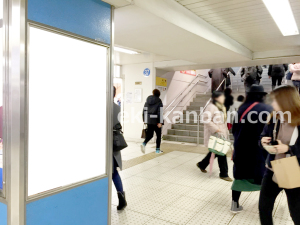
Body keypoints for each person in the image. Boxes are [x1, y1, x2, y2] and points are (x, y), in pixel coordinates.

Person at [259, 85, 300, 225]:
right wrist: (262, 141)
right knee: (264, 207)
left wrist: (288, 148)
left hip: (294, 170)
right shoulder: (274, 117)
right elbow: (263, 135)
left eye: (275, 100)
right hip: (272, 169)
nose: (272, 103)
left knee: (296, 212)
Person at [231, 85, 272, 213]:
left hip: (241, 149)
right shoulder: (267, 109)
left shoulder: (241, 109)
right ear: (262, 96)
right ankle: (264, 207)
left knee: (240, 176)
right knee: (265, 178)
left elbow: (233, 129)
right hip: (260, 150)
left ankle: (235, 204)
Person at [196, 91, 232, 182]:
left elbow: (222, 122)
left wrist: (225, 132)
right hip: (215, 134)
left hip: (221, 134)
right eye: (222, 97)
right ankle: (224, 174)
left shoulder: (221, 107)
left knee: (215, 152)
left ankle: (202, 164)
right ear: (217, 98)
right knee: (222, 153)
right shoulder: (211, 107)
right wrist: (216, 129)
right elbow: (206, 120)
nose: (224, 98)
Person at [113, 86, 127, 210]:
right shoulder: (117, 107)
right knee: (113, 172)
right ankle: (121, 196)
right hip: (113, 145)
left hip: (104, 146)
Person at [141, 89, 164, 154]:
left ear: (153, 93)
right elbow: (160, 112)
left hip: (149, 120)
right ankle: (157, 150)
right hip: (156, 120)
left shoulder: (147, 101)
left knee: (150, 134)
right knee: (158, 135)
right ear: (159, 94)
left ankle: (144, 143)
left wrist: (145, 120)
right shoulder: (159, 101)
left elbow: (144, 111)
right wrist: (160, 122)